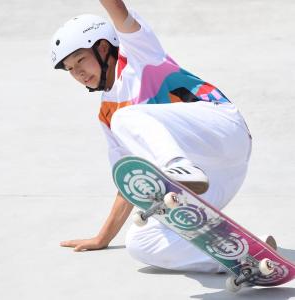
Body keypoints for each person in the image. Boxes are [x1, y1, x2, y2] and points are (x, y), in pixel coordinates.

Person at [50, 0, 276, 273]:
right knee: (140, 241)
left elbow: (118, 10)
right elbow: (132, 179)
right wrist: (103, 237)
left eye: (81, 60)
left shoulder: (138, 57)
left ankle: (177, 165)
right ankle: (248, 259)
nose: (78, 73)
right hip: (217, 176)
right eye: (70, 69)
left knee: (127, 116)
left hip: (223, 130)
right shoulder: (106, 114)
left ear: (102, 48)